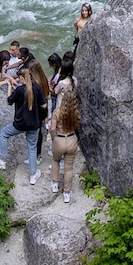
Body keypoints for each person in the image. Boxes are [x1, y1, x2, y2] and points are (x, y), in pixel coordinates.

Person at [0, 66, 47, 184]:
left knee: (4, 134)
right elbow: (44, 106)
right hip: (34, 124)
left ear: (22, 78)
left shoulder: (20, 90)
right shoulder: (37, 88)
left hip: (20, 123)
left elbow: (9, 100)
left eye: (18, 77)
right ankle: (33, 175)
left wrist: (10, 87)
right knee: (32, 147)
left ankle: (1, 159)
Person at [49, 67, 80, 202]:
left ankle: (55, 184)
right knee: (68, 169)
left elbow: (52, 128)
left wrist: (53, 138)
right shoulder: (76, 114)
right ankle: (67, 193)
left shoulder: (57, 113)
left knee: (56, 161)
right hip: (72, 138)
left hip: (60, 139)